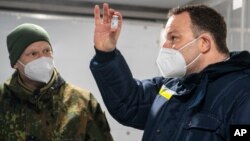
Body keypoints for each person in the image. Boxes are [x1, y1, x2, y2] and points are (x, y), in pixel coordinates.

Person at [90, 3, 250, 141]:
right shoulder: (173, 86)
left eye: (173, 38)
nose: (165, 46)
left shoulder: (242, 91)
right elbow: (130, 103)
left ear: (204, 43)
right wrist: (106, 55)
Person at [0, 23, 113, 141]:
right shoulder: (2, 100)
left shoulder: (82, 102)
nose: (42, 58)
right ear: (15, 63)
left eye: (46, 50)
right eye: (33, 53)